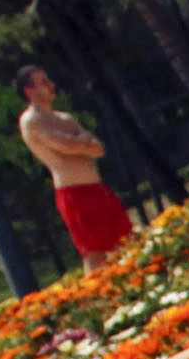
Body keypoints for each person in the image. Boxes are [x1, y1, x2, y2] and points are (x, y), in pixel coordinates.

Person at [14, 68, 130, 260]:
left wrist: (79, 142)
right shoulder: (31, 120)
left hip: (98, 188)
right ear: (29, 91)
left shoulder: (64, 117)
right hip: (74, 193)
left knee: (126, 243)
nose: (51, 85)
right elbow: (66, 146)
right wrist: (81, 141)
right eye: (44, 82)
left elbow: (98, 148)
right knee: (95, 254)